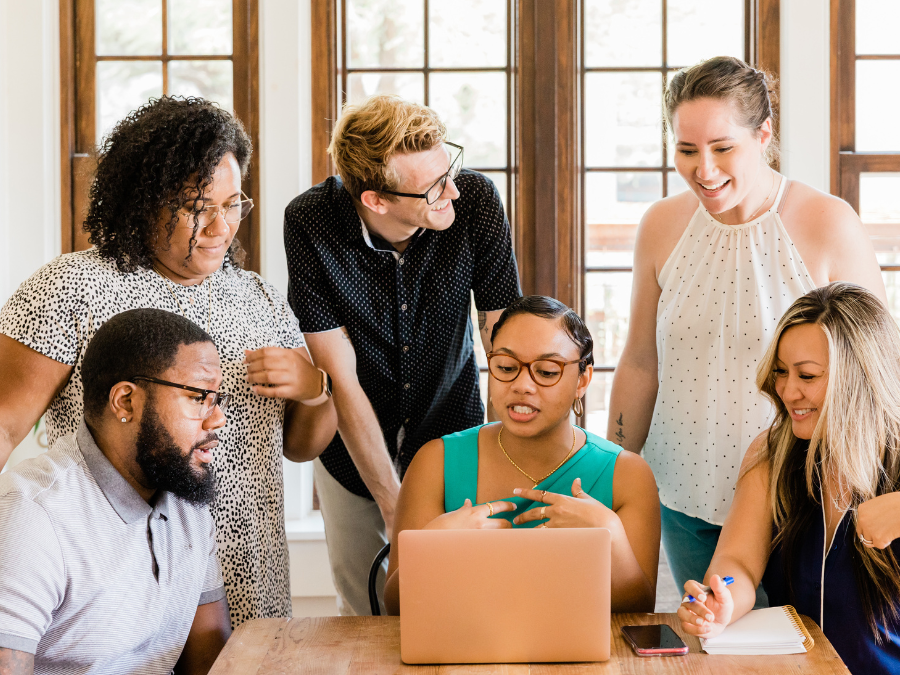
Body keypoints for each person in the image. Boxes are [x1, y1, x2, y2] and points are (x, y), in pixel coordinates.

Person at [0, 97, 337, 626]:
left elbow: (300, 446)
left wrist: (316, 390)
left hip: (249, 566)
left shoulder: (260, 299)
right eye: (197, 207)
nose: (220, 228)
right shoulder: (70, 288)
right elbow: (4, 422)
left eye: (232, 205)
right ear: (144, 200)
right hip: (119, 569)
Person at [607, 55, 887, 602]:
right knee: (718, 645)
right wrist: (611, 473)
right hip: (684, 497)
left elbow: (877, 369)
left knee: (803, 649)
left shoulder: (828, 223)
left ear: (763, 134)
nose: (703, 170)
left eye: (722, 147)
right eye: (686, 150)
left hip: (798, 497)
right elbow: (641, 360)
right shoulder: (661, 226)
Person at [284, 95, 521, 615]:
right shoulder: (310, 222)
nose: (451, 191)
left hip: (451, 429)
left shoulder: (475, 200)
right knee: (366, 608)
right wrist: (394, 506)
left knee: (459, 604)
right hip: (350, 448)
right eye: (433, 186)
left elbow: (505, 346)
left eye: (449, 170)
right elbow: (338, 375)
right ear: (376, 200)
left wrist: (515, 466)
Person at [383, 296, 660, 616]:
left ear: (582, 380)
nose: (522, 385)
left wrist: (609, 536)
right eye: (506, 367)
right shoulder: (435, 462)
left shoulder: (628, 475)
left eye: (545, 371)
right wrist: (433, 550)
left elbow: (639, 612)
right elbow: (394, 607)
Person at [679, 283, 900, 675]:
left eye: (808, 375)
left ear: (861, 376)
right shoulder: (772, 454)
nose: (787, 390)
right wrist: (723, 598)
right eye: (781, 372)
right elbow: (739, 564)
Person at [0, 308, 232, 675]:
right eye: (197, 396)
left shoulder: (188, 506)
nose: (216, 418)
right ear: (126, 401)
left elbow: (211, 663)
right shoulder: (33, 515)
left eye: (216, 399)